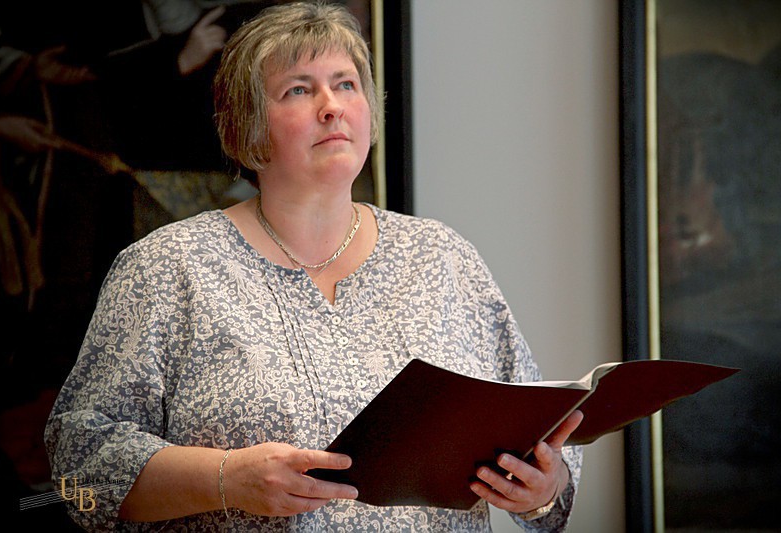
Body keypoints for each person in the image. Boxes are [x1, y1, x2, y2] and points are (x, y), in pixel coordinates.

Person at [44, 2, 584, 531]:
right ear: (249, 125)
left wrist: (544, 488)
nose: (332, 107)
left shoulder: (444, 257)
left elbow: (540, 428)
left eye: (346, 84)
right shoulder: (166, 267)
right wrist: (226, 479)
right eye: (299, 90)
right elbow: (77, 471)